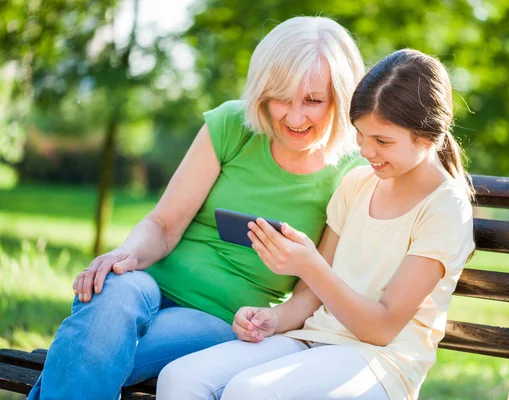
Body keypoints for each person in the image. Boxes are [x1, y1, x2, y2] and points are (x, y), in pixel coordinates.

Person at [27, 16, 365, 400]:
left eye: (313, 101)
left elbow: (311, 291)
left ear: (342, 96)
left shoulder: (349, 178)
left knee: (97, 348)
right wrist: (126, 254)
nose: (294, 116)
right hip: (148, 281)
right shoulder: (233, 126)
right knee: (112, 294)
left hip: (218, 318)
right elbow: (163, 224)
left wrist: (271, 321)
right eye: (281, 98)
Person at [156, 48, 476, 400]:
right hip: (313, 339)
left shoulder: (445, 209)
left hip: (380, 363)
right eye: (360, 135)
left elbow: (382, 328)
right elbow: (310, 297)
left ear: (429, 136)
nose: (366, 151)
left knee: (251, 392)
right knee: (180, 377)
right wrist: (273, 319)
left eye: (382, 141)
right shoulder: (357, 183)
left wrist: (309, 264)